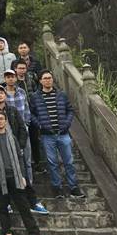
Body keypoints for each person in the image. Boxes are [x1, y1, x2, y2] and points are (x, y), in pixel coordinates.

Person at [0, 111, 50, 235]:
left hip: (15, 176)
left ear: (6, 121)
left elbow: (19, 157)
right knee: (2, 208)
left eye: (1, 118)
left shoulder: (12, 137)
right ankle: (7, 234)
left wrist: (22, 175)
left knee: (24, 207)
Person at [0, 85, 47, 213]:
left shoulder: (12, 110)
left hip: (14, 148)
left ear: (5, 95)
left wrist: (20, 145)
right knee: (1, 178)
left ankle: (33, 202)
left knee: (23, 176)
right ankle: (6, 203)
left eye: (2, 93)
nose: (0, 95)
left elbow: (22, 128)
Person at [29, 70, 85, 199]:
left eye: (50, 78)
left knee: (69, 161)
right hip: (47, 135)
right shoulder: (35, 97)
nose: (48, 80)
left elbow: (70, 110)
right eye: (45, 78)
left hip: (63, 133)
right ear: (40, 81)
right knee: (52, 163)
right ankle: (57, 188)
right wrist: (40, 125)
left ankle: (73, 187)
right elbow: (31, 114)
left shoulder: (61, 95)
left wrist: (66, 124)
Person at [14, 61, 43, 173]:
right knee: (23, 140)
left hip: (32, 112)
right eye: (20, 68)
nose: (22, 70)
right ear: (15, 69)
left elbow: (37, 93)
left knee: (35, 139)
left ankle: (37, 163)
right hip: (20, 114)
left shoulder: (30, 79)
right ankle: (25, 165)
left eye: (23, 68)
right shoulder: (14, 82)